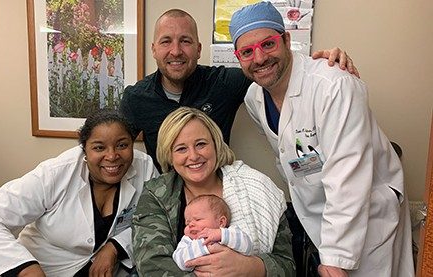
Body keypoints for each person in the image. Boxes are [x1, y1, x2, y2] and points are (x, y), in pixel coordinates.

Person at [229, 2, 414, 276]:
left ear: (287, 40)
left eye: (268, 44)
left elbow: (348, 176)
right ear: (238, 57)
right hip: (318, 215)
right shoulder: (254, 99)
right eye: (247, 51)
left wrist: (336, 256)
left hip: (369, 215)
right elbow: (291, 155)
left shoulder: (334, 85)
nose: (259, 58)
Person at [120, 8, 359, 171]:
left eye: (185, 41)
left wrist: (321, 62)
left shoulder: (223, 82)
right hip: (166, 203)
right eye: (166, 41)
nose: (176, 51)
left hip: (219, 199)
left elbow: (272, 67)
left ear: (199, 48)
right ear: (153, 49)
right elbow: (116, 148)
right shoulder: (136, 98)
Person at [0, 109, 158, 276]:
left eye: (122, 145)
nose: (112, 156)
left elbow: (155, 219)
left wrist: (115, 246)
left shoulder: (145, 168)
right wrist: (25, 267)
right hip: (47, 269)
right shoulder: (54, 174)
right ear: (85, 149)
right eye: (99, 147)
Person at [132, 107, 294, 276]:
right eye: (181, 149)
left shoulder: (256, 187)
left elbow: (288, 266)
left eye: (201, 144)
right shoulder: (156, 194)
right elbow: (151, 265)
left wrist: (249, 266)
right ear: (169, 155)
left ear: (216, 145)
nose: (194, 156)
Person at [172, 194, 253, 271]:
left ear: (221, 222)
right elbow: (180, 262)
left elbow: (248, 247)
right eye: (187, 223)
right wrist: (205, 245)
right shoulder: (188, 241)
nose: (190, 225)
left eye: (198, 219)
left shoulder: (231, 233)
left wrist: (221, 235)